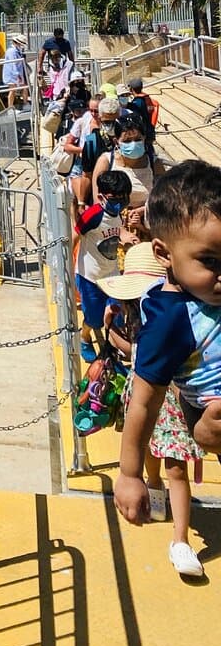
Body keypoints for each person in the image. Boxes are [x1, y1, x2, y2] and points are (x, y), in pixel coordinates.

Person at [115, 162, 221, 552]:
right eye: (210, 261)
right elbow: (144, 401)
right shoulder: (171, 319)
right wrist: (129, 474)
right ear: (164, 252)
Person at [101, 244, 204, 578]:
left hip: (174, 400)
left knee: (178, 467)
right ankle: (153, 484)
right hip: (145, 392)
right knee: (147, 448)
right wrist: (113, 330)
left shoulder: (177, 313)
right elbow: (137, 351)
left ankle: (180, 540)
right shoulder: (141, 311)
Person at [74, 168, 133, 360]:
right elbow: (75, 235)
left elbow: (117, 229)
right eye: (115, 199)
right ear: (101, 197)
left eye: (124, 198)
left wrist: (126, 237)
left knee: (115, 311)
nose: (120, 203)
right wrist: (67, 265)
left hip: (111, 273)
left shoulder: (117, 213)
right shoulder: (93, 215)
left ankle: (112, 344)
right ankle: (84, 338)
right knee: (93, 316)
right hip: (90, 276)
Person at [91, 110, 165, 209]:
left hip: (146, 219)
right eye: (127, 141)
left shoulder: (155, 164)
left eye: (138, 139)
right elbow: (98, 200)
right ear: (116, 142)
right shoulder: (106, 161)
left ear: (144, 138)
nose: (133, 144)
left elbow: (163, 198)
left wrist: (141, 212)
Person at [2, 33, 29, 109]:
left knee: (23, 87)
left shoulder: (16, 51)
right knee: (12, 90)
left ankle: (25, 104)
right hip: (12, 74)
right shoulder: (12, 51)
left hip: (15, 74)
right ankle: (11, 107)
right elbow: (13, 63)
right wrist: (18, 75)